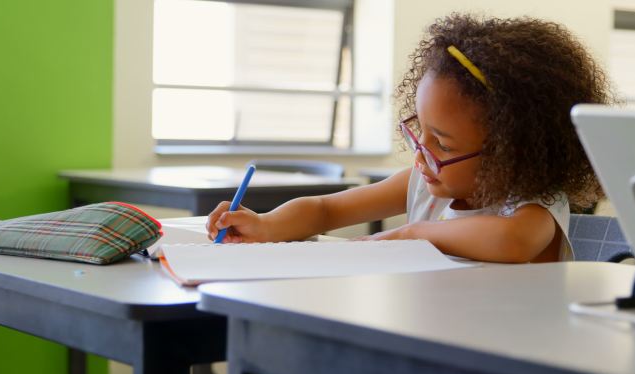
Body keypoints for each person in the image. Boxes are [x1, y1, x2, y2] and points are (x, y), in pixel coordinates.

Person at [206, 13, 613, 263]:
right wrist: (266, 224)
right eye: (420, 132)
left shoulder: (531, 205)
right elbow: (325, 210)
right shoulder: (426, 184)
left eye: (445, 145)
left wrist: (411, 234)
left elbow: (515, 241)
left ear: (513, 153)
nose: (422, 157)